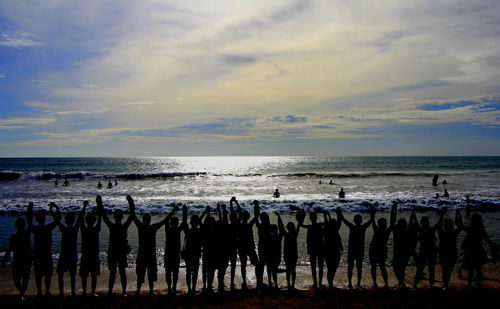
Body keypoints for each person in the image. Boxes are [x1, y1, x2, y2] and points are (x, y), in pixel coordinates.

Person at [127, 195, 176, 295]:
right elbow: (164, 221)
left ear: (144, 220)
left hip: (142, 253)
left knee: (141, 274)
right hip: (150, 254)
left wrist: (131, 202)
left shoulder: (141, 227)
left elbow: (133, 215)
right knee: (150, 273)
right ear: (149, 220)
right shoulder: (153, 227)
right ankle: (150, 291)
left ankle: (138, 291)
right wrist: (172, 211)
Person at [97, 195, 133, 296]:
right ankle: (123, 291)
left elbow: (103, 215)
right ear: (121, 217)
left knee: (114, 273)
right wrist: (131, 202)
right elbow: (131, 216)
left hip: (114, 250)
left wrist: (99, 203)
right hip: (119, 251)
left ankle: (111, 291)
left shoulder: (112, 226)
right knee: (121, 272)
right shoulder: (122, 226)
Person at [51, 202, 86, 297]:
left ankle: (62, 292)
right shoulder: (74, 229)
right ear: (72, 221)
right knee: (72, 274)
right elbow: (79, 218)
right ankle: (72, 291)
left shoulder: (64, 229)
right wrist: (84, 207)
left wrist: (55, 209)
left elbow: (57, 220)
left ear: (66, 221)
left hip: (64, 253)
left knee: (61, 274)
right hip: (72, 254)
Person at [456, 211, 498, 288]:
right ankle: (478, 285)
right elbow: (488, 241)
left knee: (471, 270)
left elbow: (459, 225)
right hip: (478, 251)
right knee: (478, 269)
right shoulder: (481, 230)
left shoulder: (470, 229)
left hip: (470, 251)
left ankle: (469, 286)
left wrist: (458, 214)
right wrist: (494, 250)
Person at [27, 202, 59, 296]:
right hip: (46, 254)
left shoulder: (36, 229)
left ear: (37, 219)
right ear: (44, 218)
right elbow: (57, 219)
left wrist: (30, 209)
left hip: (38, 255)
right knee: (46, 276)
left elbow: (29, 221)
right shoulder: (48, 228)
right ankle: (46, 291)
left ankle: (40, 292)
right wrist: (54, 209)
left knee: (39, 275)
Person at [339, 206, 374, 289]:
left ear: (354, 220)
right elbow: (372, 219)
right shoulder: (363, 227)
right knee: (359, 267)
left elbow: (343, 219)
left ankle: (350, 283)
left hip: (352, 250)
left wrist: (339, 212)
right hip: (359, 250)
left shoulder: (352, 226)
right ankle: (358, 283)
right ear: (361, 221)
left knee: (350, 267)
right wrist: (372, 210)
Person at [235, 200, 263, 289]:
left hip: (242, 247)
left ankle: (244, 281)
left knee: (243, 265)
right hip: (249, 247)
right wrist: (256, 205)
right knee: (257, 264)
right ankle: (259, 280)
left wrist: (236, 202)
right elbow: (256, 216)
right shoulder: (248, 225)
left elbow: (239, 213)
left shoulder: (239, 225)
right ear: (247, 217)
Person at [181, 205, 208, 294]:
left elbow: (184, 222)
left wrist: (184, 211)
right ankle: (192, 288)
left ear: (191, 222)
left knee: (189, 271)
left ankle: (190, 289)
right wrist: (205, 213)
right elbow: (201, 224)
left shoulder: (188, 231)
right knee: (195, 272)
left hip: (189, 253)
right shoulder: (199, 231)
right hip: (196, 253)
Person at [2, 216, 31, 300]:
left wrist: (4, 259)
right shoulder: (26, 234)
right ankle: (21, 294)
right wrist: (30, 210)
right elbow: (30, 223)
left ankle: (21, 294)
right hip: (26, 259)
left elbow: (9, 249)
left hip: (18, 259)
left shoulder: (14, 236)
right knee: (25, 278)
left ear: (15, 225)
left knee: (16, 278)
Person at [369, 203, 397, 288]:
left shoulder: (377, 230)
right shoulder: (386, 232)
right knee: (382, 267)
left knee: (374, 267)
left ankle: (375, 283)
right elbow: (392, 222)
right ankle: (386, 284)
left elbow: (372, 219)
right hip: (381, 250)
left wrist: (372, 209)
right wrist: (393, 210)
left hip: (374, 250)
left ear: (379, 224)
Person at [412, 213, 442, 288]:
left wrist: (414, 215)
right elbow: (438, 224)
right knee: (431, 268)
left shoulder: (422, 230)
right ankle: (430, 284)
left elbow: (416, 223)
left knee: (421, 268)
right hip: (431, 251)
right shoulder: (430, 230)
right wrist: (442, 215)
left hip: (424, 251)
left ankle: (415, 283)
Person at [275, 211, 303, 290]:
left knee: (288, 269)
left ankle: (289, 284)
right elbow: (298, 225)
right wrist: (300, 218)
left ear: (288, 228)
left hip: (287, 254)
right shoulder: (294, 234)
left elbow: (281, 227)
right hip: (293, 254)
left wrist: (279, 217)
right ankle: (292, 284)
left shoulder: (286, 235)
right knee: (293, 269)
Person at [392, 211, 418, 288]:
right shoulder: (403, 232)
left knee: (398, 269)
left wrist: (394, 211)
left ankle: (401, 283)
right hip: (403, 253)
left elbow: (393, 223)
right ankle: (401, 282)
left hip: (401, 253)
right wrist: (413, 215)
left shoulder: (399, 232)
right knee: (399, 269)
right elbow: (393, 223)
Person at [80, 206, 102, 297]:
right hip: (93, 255)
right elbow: (100, 219)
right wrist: (99, 205)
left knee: (85, 276)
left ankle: (85, 292)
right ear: (93, 221)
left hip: (85, 255)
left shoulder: (84, 230)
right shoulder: (95, 229)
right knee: (93, 276)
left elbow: (81, 219)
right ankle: (92, 292)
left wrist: (84, 207)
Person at [437, 209, 461, 290]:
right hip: (452, 253)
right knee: (448, 270)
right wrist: (458, 214)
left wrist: (441, 215)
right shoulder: (453, 233)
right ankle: (445, 284)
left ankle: (445, 285)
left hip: (443, 253)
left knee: (445, 270)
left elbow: (439, 225)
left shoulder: (442, 233)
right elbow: (460, 226)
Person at [301, 211, 325, 289]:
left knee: (313, 266)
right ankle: (320, 282)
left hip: (312, 248)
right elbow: (327, 223)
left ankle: (315, 282)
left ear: (310, 218)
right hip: (320, 247)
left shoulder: (310, 226)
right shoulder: (320, 225)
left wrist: (303, 216)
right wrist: (325, 215)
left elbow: (301, 224)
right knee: (320, 266)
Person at [165, 209, 184, 295]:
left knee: (169, 272)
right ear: (176, 223)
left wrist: (172, 211)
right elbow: (183, 222)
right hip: (174, 254)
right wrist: (184, 210)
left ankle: (170, 288)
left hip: (169, 254)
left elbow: (166, 220)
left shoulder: (168, 230)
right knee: (174, 272)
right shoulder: (177, 230)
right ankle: (173, 287)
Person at [322, 209, 343, 289]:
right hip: (334, 251)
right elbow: (339, 221)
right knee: (333, 268)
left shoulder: (326, 231)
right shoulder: (335, 230)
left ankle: (330, 282)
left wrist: (327, 215)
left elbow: (328, 222)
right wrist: (338, 213)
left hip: (327, 251)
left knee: (330, 267)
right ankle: (330, 282)